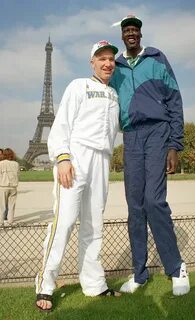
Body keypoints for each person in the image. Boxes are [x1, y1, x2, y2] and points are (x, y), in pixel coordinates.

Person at [35, 40, 120, 312]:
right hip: (76, 159)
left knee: (93, 226)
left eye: (111, 59)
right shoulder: (78, 85)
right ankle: (46, 285)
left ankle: (94, 284)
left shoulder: (115, 95)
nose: (107, 63)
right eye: (102, 58)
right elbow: (61, 125)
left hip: (102, 161)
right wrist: (62, 157)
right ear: (92, 62)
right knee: (64, 223)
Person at [110, 15, 190, 296]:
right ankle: (139, 273)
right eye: (127, 30)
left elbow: (174, 99)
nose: (131, 34)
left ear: (140, 35)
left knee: (154, 201)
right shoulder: (116, 67)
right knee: (135, 208)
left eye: (135, 30)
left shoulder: (157, 58)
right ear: (122, 36)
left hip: (158, 132)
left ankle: (176, 266)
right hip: (131, 137)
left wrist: (174, 145)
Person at [0, 148, 19, 226]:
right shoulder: (16, 164)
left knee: (2, 206)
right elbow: (18, 175)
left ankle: (0, 222)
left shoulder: (1, 163)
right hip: (13, 187)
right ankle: (10, 222)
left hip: (3, 186)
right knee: (11, 206)